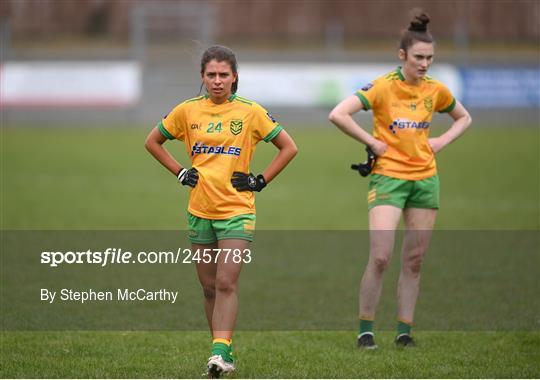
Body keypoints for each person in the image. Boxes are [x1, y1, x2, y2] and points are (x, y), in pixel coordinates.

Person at [145, 45, 297, 376]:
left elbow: (289, 147)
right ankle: (224, 351)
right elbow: (152, 141)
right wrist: (181, 172)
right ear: (202, 77)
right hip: (199, 210)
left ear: (234, 77)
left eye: (223, 75)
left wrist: (259, 181)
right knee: (209, 287)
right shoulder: (186, 111)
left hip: (237, 211)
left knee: (227, 282)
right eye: (211, 75)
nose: (217, 81)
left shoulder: (251, 111)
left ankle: (218, 353)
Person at [329, 11, 471, 348]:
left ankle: (404, 333)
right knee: (380, 257)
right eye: (419, 57)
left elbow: (464, 118)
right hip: (388, 179)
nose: (424, 64)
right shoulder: (381, 87)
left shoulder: (436, 91)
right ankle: (366, 330)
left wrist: (440, 141)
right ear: (402, 55)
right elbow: (338, 113)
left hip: (425, 180)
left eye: (430, 58)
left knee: (415, 260)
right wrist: (372, 141)